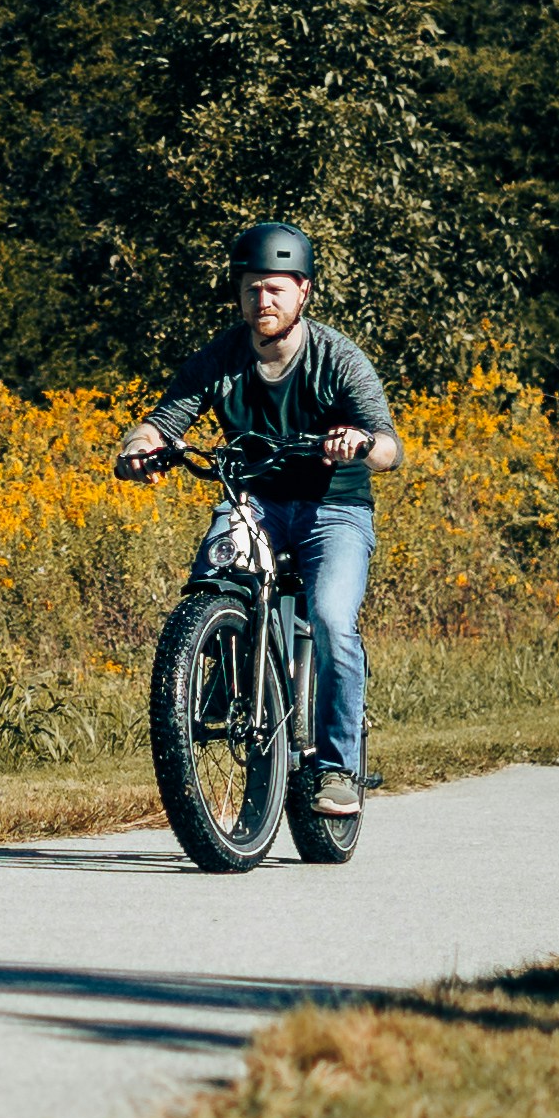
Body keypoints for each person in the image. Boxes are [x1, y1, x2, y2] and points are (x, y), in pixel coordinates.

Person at [115, 222, 404, 817]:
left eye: (275, 289)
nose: (262, 301)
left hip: (336, 507)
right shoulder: (220, 357)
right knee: (215, 577)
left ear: (304, 292)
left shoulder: (337, 357)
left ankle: (335, 767)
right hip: (255, 499)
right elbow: (163, 421)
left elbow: (390, 450)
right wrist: (139, 447)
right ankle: (223, 679)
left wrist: (357, 440)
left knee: (329, 620)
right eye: (251, 289)